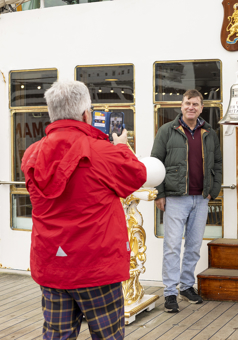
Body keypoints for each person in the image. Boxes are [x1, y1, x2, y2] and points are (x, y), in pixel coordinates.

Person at [21, 80, 147, 339]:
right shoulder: (102, 152)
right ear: (86, 114)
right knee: (108, 335)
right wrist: (122, 146)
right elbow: (137, 175)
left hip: (52, 264)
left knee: (57, 335)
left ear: (51, 113)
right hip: (96, 267)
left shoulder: (32, 154)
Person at [151, 89, 222, 313]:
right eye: (187, 103)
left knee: (193, 246)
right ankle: (170, 292)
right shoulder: (167, 130)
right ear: (181, 106)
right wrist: (160, 193)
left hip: (201, 198)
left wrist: (214, 189)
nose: (191, 107)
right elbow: (155, 163)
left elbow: (218, 163)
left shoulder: (210, 132)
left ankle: (186, 286)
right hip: (175, 197)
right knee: (172, 246)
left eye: (196, 104)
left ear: (202, 108)